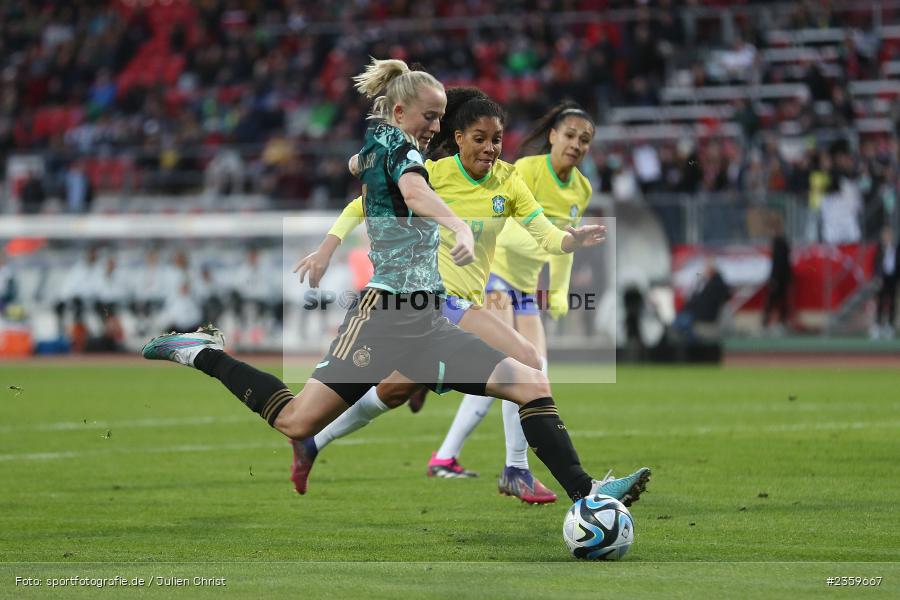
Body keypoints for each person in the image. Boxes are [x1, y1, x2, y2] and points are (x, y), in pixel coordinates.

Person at [142, 58, 648, 509]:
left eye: (439, 118)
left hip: (430, 318)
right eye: (430, 117)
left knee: (531, 381)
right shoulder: (402, 151)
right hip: (382, 317)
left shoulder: (398, 148)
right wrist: (448, 225)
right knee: (296, 421)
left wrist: (566, 240)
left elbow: (377, 176)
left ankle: (586, 494)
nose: (434, 127)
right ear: (401, 110)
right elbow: (410, 188)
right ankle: (202, 352)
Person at [289, 93, 641, 505]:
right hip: (433, 298)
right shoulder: (432, 174)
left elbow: (544, 233)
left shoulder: (509, 181)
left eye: (497, 139)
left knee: (392, 392)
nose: (490, 148)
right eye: (480, 138)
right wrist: (327, 248)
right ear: (458, 138)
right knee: (529, 360)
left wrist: (569, 240)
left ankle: (313, 441)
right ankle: (517, 470)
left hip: (457, 307)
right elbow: (360, 204)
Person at [761, 213, 792, 334]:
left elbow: (778, 263)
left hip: (778, 278)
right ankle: (779, 322)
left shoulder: (778, 243)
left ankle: (768, 323)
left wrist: (774, 278)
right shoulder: (782, 242)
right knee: (780, 301)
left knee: (773, 301)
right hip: (782, 278)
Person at [872, 226, 899, 339]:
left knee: (892, 302)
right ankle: (878, 326)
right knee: (880, 302)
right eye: (885, 235)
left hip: (893, 278)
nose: (887, 237)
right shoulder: (879, 249)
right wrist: (878, 277)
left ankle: (890, 326)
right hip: (882, 279)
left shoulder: (896, 248)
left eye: (889, 235)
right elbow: (876, 265)